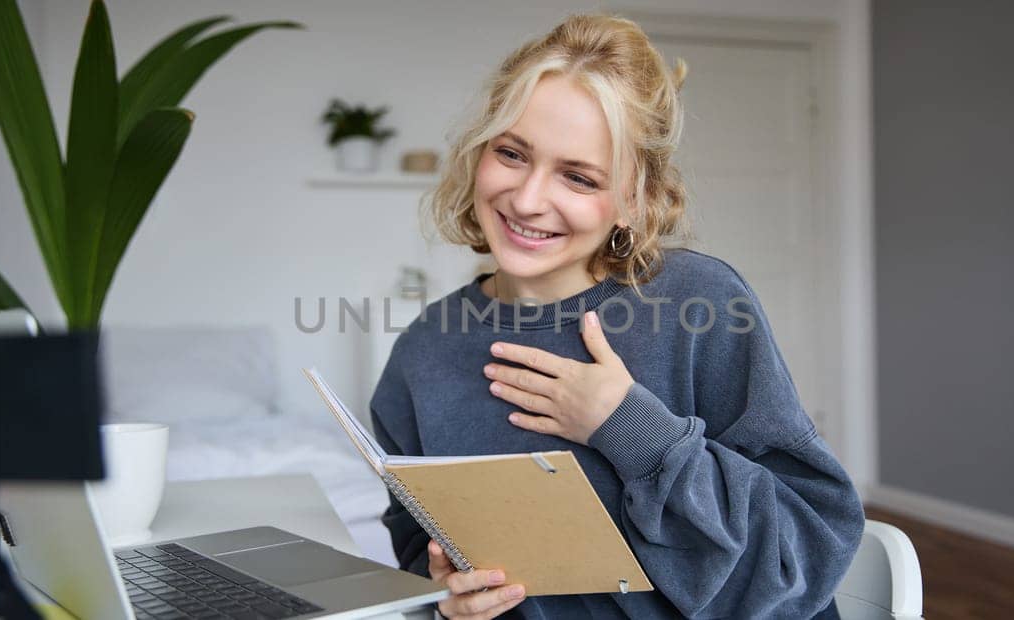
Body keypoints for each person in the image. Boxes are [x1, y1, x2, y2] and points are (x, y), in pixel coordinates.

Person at [369, 13, 864, 619]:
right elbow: (417, 555)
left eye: (578, 177)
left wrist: (630, 428)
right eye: (512, 153)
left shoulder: (699, 305)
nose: (526, 199)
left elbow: (804, 555)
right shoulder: (425, 349)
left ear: (634, 200)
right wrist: (449, 596)